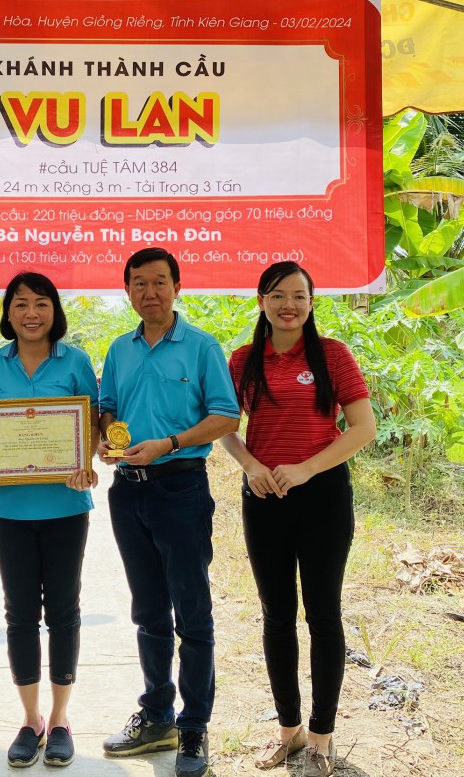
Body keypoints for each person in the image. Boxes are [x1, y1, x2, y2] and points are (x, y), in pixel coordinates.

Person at [221, 262, 375, 777]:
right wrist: (251, 466)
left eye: (299, 296)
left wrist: (307, 468)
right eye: (278, 295)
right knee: (276, 615)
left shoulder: (332, 355)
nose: (289, 305)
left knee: (324, 613)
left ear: (311, 303)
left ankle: (322, 737)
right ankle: (289, 732)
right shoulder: (242, 360)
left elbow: (363, 428)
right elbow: (225, 426)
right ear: (261, 300)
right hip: (264, 497)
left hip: (323, 497)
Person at [97, 247, 241, 777]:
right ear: (127, 291)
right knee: (148, 611)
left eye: (159, 282)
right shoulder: (120, 348)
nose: (150, 292)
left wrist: (170, 443)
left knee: (192, 613)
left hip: (181, 489)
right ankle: (157, 714)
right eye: (139, 283)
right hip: (127, 492)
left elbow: (226, 416)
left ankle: (194, 725)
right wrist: (108, 438)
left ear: (177, 288)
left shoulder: (202, 347)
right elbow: (108, 406)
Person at [0, 272, 100, 769]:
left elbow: (92, 422)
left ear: (54, 310)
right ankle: (30, 720)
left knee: (64, 612)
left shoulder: (76, 361)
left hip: (67, 509)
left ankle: (61, 719)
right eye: (20, 303)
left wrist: (85, 460)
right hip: (11, 512)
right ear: (8, 312)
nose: (31, 313)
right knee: (20, 614)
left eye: (41, 303)